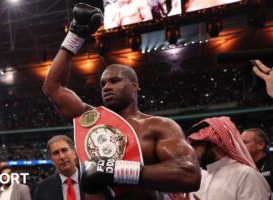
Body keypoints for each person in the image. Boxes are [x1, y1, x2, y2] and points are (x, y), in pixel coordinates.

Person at [42, 3, 201, 200]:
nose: (106, 87)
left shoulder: (158, 126)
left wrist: (116, 170)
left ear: (135, 86)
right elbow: (53, 88)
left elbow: (190, 174)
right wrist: (75, 36)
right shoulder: (91, 120)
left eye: (114, 81)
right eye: (102, 84)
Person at [186, 117, 271, 200]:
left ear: (215, 144)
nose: (193, 151)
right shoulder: (199, 176)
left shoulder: (246, 175)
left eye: (196, 145)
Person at [33, 135, 84, 200]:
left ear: (74, 153)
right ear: (52, 160)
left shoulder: (91, 181)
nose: (62, 157)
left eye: (64, 150)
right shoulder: (42, 189)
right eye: (56, 153)